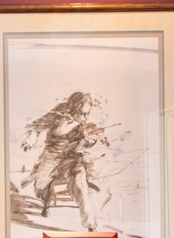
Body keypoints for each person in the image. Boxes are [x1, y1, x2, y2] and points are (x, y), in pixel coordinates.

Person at [21, 92, 109, 229]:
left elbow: (91, 142)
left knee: (81, 183)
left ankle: (89, 223)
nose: (85, 118)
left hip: (73, 158)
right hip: (53, 154)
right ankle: (46, 201)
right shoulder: (59, 112)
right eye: (82, 114)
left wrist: (89, 141)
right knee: (41, 183)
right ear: (74, 109)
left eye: (87, 114)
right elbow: (39, 124)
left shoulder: (85, 124)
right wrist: (32, 135)